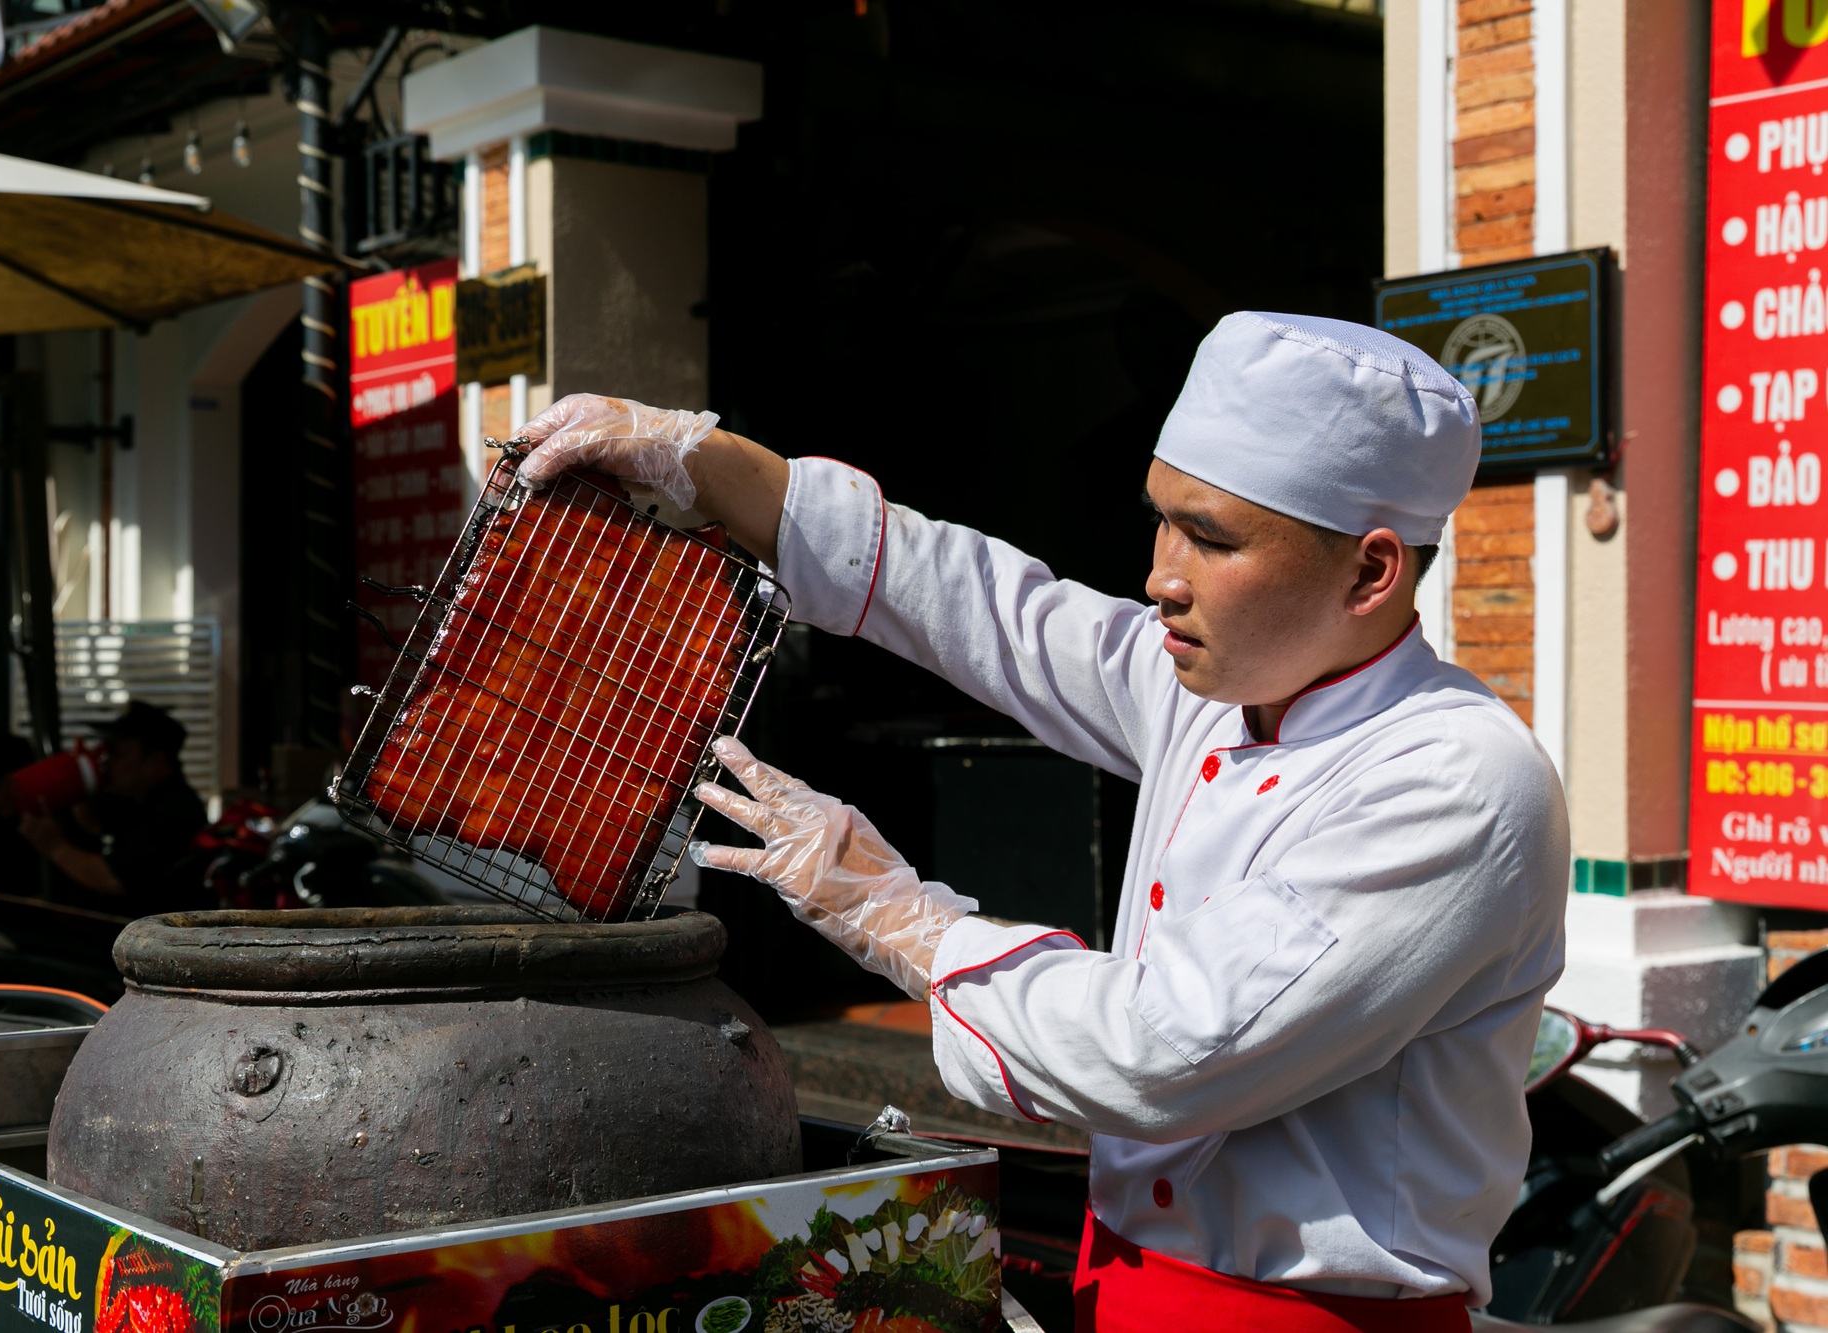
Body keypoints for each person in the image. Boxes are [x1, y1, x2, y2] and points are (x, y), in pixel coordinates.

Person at [515, 312, 1569, 1333]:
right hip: (1122, 1283)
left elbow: (1171, 1048)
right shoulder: (1214, 688)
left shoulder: (1457, 777)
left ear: (1370, 570)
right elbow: (1000, 612)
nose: (1160, 576)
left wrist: (905, 920)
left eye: (1209, 538)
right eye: (1161, 517)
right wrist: (716, 467)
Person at [18, 701, 211, 914]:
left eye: (118, 753)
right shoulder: (135, 798)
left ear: (156, 761)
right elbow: (96, 826)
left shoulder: (175, 812)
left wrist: (54, 846)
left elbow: (114, 878)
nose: (107, 761)